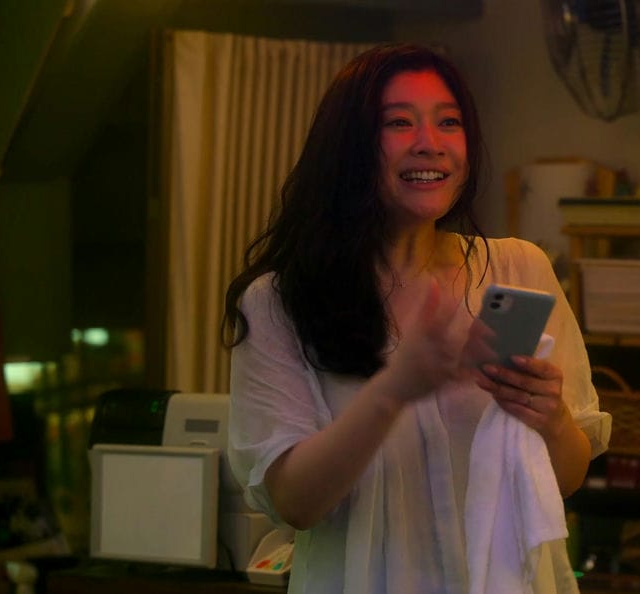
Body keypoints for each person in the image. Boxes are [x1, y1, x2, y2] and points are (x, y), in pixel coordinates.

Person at [222, 43, 610, 593]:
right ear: (349, 147)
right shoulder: (279, 301)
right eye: (399, 123)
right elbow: (294, 504)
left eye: (449, 122)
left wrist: (551, 419)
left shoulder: (517, 270)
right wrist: (394, 390)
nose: (430, 143)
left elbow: (567, 477)